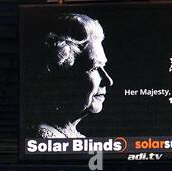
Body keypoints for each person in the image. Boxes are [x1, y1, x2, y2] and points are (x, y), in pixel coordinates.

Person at [25, 11, 113, 140]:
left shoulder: (74, 137)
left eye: (103, 66)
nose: (108, 81)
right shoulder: (44, 138)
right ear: (63, 78)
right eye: (94, 68)